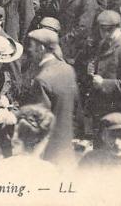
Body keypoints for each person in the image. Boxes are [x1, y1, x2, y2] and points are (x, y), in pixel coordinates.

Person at [23, 28, 78, 164]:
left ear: (41, 48)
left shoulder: (42, 79)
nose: (30, 51)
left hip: (47, 153)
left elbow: (40, 123)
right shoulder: (68, 69)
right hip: (66, 147)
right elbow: (76, 107)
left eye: (31, 47)